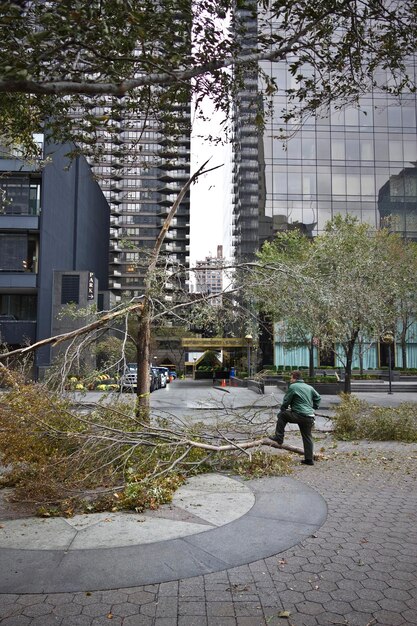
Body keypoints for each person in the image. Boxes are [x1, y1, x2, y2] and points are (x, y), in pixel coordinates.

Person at [269, 370, 321, 465]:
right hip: (309, 417)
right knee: (307, 437)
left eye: (291, 378)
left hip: (299, 415)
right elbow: (318, 397)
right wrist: (314, 408)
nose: (290, 380)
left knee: (282, 415)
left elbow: (286, 400)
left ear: (295, 378)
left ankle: (279, 437)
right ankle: (309, 460)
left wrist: (283, 409)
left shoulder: (293, 386)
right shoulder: (309, 387)